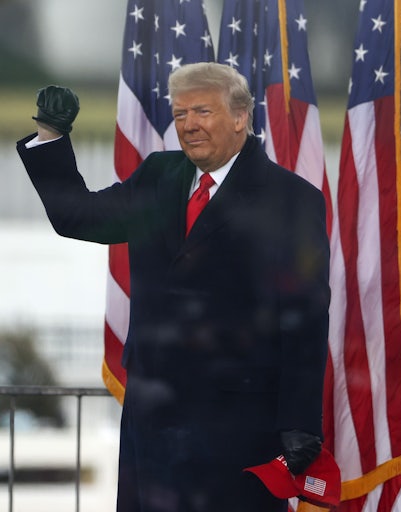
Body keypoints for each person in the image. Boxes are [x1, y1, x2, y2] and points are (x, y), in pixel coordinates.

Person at [16, 62, 331, 512]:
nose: (189, 126)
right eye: (180, 115)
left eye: (202, 111)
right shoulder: (158, 176)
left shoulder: (291, 199)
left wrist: (301, 424)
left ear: (241, 117)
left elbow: (305, 319)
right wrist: (51, 134)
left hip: (240, 432)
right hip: (153, 423)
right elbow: (77, 217)